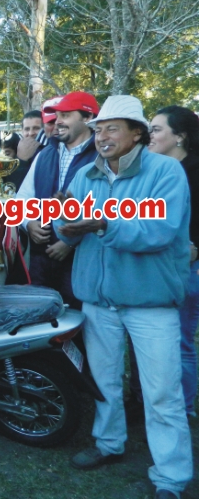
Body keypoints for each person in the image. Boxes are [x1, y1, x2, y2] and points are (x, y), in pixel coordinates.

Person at [54, 96, 192, 498]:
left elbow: (159, 231)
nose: (102, 136)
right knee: (104, 382)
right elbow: (68, 229)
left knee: (162, 392)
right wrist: (64, 223)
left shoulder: (165, 171)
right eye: (98, 129)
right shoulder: (86, 176)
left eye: (112, 128)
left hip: (151, 303)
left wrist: (101, 224)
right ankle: (108, 443)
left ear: (137, 134)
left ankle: (171, 477)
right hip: (99, 301)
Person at [16, 91, 100, 310]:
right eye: (57, 116)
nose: (58, 121)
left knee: (77, 320)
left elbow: (107, 211)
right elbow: (23, 198)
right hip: (41, 259)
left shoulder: (102, 157)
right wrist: (28, 223)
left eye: (66, 115)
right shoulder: (45, 154)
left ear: (88, 118)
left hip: (81, 261)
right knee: (39, 318)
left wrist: (70, 243)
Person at [147, 105, 199, 417]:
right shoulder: (154, 170)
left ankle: (185, 406)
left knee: (180, 340)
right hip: (154, 267)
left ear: (179, 136)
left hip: (187, 269)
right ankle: (149, 400)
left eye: (156, 129)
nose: (149, 135)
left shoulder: (194, 171)